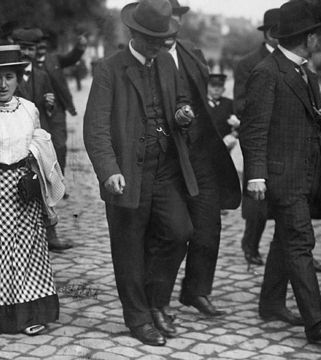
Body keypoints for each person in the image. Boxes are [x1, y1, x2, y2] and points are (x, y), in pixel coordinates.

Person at [83, 0, 198, 346]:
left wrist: (182, 112)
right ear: (134, 34)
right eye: (150, 40)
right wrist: (109, 171)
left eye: (161, 40)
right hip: (127, 175)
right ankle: (138, 318)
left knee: (180, 232)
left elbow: (180, 99)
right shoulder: (109, 70)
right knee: (129, 247)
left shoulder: (166, 62)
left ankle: (157, 302)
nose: (157, 47)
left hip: (165, 170)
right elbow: (96, 128)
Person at [239, 0, 321, 342]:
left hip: (306, 174)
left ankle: (271, 304)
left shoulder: (306, 73)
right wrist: (256, 174)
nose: (319, 42)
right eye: (317, 36)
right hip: (282, 176)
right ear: (308, 37)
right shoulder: (267, 73)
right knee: (300, 240)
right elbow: (253, 129)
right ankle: (316, 322)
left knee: (284, 240)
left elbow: (309, 111)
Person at [0, 45, 64, 336]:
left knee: (28, 248)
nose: (3, 84)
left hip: (24, 187)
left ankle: (30, 312)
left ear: (17, 79)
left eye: (9, 77)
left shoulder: (28, 108)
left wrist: (40, 183)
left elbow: (40, 145)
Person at [166, 0, 242, 318]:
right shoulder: (146, 57)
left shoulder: (191, 51)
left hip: (201, 154)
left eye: (175, 17)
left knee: (208, 227)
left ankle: (197, 290)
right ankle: (155, 298)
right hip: (167, 158)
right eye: (165, 17)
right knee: (170, 232)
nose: (171, 23)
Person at [11, 27, 73, 251]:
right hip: (14, 138)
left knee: (44, 185)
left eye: (31, 48)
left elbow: (51, 108)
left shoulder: (43, 75)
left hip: (37, 139)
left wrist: (49, 103)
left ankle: (51, 234)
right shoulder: (8, 75)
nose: (27, 52)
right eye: (23, 48)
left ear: (37, 50)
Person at [233, 8, 279, 268]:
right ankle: (250, 244)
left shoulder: (294, 61)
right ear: (270, 33)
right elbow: (239, 104)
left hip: (284, 140)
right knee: (257, 199)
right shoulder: (248, 63)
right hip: (257, 138)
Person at [35, 29, 87, 176]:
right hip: (38, 111)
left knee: (60, 145)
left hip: (57, 110)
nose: (41, 45)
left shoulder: (54, 59)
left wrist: (80, 47)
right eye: (38, 43)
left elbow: (71, 58)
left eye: (44, 42)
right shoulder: (28, 65)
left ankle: (60, 178)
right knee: (41, 146)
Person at [206, 74, 238, 148]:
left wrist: (233, 135)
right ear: (207, 87)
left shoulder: (229, 104)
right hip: (204, 147)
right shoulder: (200, 103)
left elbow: (242, 123)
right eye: (213, 86)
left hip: (224, 147)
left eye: (220, 86)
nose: (216, 90)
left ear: (224, 89)